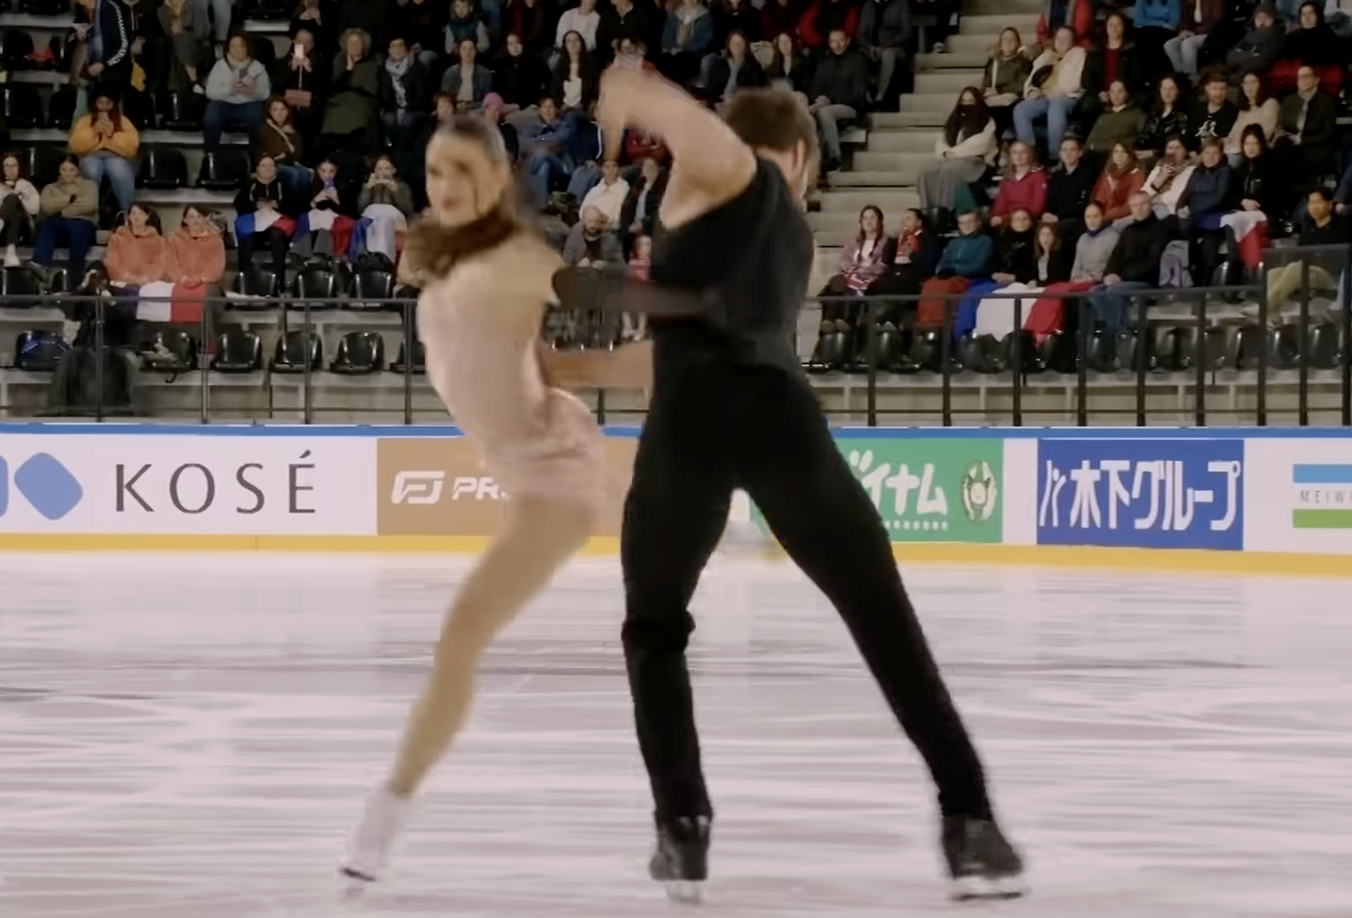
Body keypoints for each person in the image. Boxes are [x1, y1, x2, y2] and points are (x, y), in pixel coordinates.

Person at [590, 70, 1023, 900]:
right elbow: (692, 128)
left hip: (684, 429)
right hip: (777, 422)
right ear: (796, 152)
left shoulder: (753, 215)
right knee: (885, 622)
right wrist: (631, 88)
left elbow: (677, 339)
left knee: (653, 631)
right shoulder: (751, 179)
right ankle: (970, 820)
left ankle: (682, 827)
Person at [342, 113, 610, 888]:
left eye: (463, 172)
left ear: (496, 179)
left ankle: (386, 814)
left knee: (460, 635)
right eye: (435, 172)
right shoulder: (448, 255)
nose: (446, 187)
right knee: (462, 638)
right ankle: (693, 522)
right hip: (535, 452)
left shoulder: (516, 260)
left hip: (554, 472)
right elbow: (535, 360)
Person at [1089, 189, 1169, 332]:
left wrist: (1122, 277)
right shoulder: (1128, 231)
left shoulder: (1159, 229)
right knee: (1095, 291)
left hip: (1146, 280)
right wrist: (1109, 275)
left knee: (1115, 290)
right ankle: (1113, 329)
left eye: (1143, 204)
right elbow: (1116, 256)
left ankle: (1122, 332)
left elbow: (1152, 262)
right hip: (1123, 279)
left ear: (1150, 205)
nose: (1139, 208)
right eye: (1135, 205)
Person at [918, 87, 997, 213]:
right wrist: (945, 152)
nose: (967, 104)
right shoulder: (953, 120)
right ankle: (928, 212)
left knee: (949, 171)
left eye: (971, 101)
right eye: (964, 101)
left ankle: (946, 212)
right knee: (926, 173)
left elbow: (982, 143)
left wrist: (954, 153)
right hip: (949, 159)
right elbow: (942, 140)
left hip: (974, 161)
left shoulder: (986, 120)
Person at [1013, 26, 1085, 160]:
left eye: (1066, 38)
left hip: (1067, 96)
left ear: (1072, 41)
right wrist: (1032, 91)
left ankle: (1055, 156)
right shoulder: (1046, 56)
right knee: (1021, 109)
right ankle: (1028, 155)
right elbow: (1031, 80)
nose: (1061, 41)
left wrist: (1058, 90)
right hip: (1044, 97)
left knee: (1056, 105)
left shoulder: (1079, 54)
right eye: (1059, 38)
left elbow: (1078, 81)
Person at [67, 88, 139, 216]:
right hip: (91, 155)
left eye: (108, 103)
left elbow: (132, 147)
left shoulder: (123, 121)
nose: (104, 107)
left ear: (113, 104)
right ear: (95, 103)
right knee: (92, 170)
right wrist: (94, 132)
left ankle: (126, 214)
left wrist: (112, 135)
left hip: (115, 157)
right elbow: (75, 145)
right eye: (100, 102)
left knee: (119, 171)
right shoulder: (85, 121)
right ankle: (90, 213)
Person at [807, 28, 868, 174]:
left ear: (847, 40)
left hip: (851, 107)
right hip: (826, 105)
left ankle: (835, 158)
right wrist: (818, 99)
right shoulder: (825, 63)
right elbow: (815, 89)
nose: (837, 45)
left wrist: (830, 100)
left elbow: (858, 93)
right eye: (833, 42)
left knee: (826, 112)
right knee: (806, 113)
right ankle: (811, 164)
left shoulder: (858, 60)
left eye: (840, 41)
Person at [204, 32, 271, 152]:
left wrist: (252, 91)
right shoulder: (219, 66)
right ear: (228, 49)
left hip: (250, 103)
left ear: (247, 48)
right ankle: (210, 155)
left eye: (241, 46)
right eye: (233, 46)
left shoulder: (257, 67)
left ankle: (257, 157)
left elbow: (265, 93)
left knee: (256, 118)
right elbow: (210, 92)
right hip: (224, 103)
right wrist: (231, 90)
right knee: (211, 117)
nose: (237, 50)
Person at [981, 27, 1031, 138]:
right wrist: (986, 92)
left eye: (1012, 40)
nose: (1008, 42)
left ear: (1017, 43)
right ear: (1000, 43)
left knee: (999, 113)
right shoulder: (993, 61)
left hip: (1011, 100)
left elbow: (1021, 85)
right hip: (993, 98)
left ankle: (994, 142)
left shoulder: (1023, 62)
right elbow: (985, 82)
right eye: (1005, 39)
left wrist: (999, 90)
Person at [1225, 72, 1279, 164]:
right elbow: (1233, 134)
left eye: (1253, 82)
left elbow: (1266, 132)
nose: (1249, 87)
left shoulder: (1270, 103)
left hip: (1257, 150)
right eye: (1246, 83)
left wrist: (1241, 144)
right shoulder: (1244, 110)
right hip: (1238, 148)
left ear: (1261, 84)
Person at [0, 152, 41, 267]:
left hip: (23, 230)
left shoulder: (26, 186)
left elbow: (35, 209)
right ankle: (11, 251)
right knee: (12, 203)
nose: (10, 169)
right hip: (4, 232)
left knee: (13, 200)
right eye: (7, 166)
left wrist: (15, 196)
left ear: (19, 167)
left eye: (14, 165)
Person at [1085, 79, 1145, 157]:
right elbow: (1090, 142)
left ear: (1127, 93)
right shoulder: (1104, 116)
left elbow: (1143, 137)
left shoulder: (1136, 114)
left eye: (1120, 92)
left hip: (1124, 155)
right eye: (1112, 92)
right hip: (1100, 156)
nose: (1116, 95)